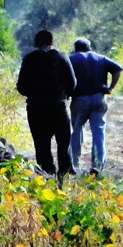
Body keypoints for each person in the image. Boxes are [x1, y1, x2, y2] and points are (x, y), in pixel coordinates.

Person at [17, 29, 77, 184]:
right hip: (58, 106)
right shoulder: (62, 57)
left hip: (36, 108)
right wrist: (64, 93)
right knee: (63, 143)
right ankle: (63, 175)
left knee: (42, 145)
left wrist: (35, 93)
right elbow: (73, 83)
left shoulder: (29, 59)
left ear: (36, 43)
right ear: (52, 42)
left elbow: (21, 87)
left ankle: (47, 175)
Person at [68, 38, 123, 176]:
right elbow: (117, 69)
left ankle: (74, 163)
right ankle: (97, 165)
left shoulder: (72, 59)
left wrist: (66, 91)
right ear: (89, 47)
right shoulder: (101, 58)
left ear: (76, 48)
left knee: (76, 130)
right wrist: (110, 87)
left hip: (80, 98)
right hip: (99, 97)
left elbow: (63, 75)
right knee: (98, 131)